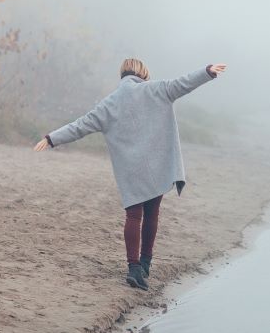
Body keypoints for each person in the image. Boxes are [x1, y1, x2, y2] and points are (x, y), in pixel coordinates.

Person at [35, 58, 227, 290]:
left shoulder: (109, 104)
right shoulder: (157, 89)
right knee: (152, 213)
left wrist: (51, 138)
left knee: (134, 216)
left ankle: (134, 267)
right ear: (144, 73)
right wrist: (207, 72)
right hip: (157, 165)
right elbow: (184, 83)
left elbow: (80, 126)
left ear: (122, 75)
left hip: (130, 170)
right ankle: (145, 262)